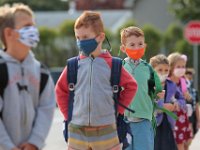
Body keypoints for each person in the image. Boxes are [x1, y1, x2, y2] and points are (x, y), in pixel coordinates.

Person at [55, 11, 138, 150]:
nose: (81, 41)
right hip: (77, 129)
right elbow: (60, 90)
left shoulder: (113, 64)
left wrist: (118, 110)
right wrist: (68, 114)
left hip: (107, 129)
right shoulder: (73, 66)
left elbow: (131, 86)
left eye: (85, 37)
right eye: (78, 37)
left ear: (100, 37)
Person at [0, 3, 55, 150]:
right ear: (9, 33)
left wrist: (34, 143)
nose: (33, 30)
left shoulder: (41, 72)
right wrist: (7, 146)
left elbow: (46, 108)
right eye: (27, 26)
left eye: (34, 25)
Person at [120, 26, 163, 150]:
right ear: (123, 48)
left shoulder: (148, 68)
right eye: (132, 45)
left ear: (144, 46)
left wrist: (158, 94)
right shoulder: (120, 67)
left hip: (144, 119)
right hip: (123, 120)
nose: (137, 48)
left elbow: (155, 89)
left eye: (140, 44)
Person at [150, 54, 185, 150]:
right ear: (153, 70)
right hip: (153, 123)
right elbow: (147, 103)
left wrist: (176, 105)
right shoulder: (148, 85)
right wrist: (162, 106)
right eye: (160, 70)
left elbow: (182, 99)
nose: (163, 73)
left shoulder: (172, 85)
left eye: (166, 70)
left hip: (168, 123)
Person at [167, 53, 193, 150]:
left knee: (188, 142)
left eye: (183, 66)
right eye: (178, 66)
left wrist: (187, 97)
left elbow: (187, 96)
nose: (181, 69)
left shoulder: (182, 81)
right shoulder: (168, 81)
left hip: (183, 115)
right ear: (171, 67)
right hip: (173, 117)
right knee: (179, 144)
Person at [185, 68, 200, 137]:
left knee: (190, 137)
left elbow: (197, 107)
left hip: (192, 116)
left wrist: (198, 120)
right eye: (188, 78)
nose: (189, 81)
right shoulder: (180, 90)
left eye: (191, 79)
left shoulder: (194, 92)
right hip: (183, 114)